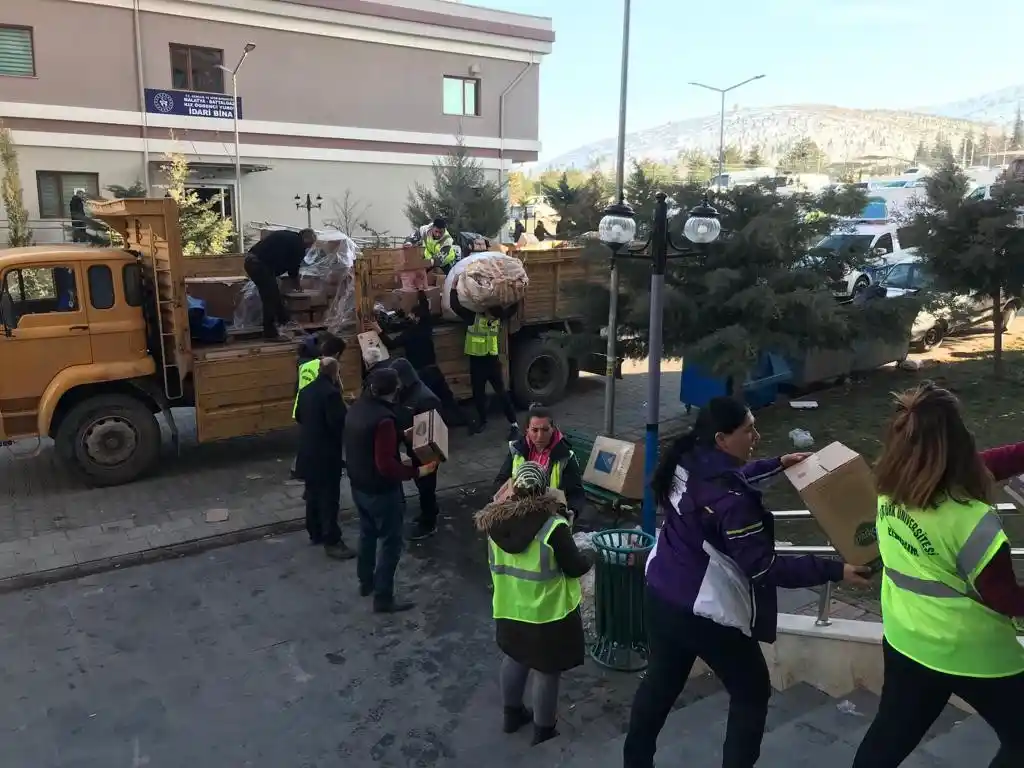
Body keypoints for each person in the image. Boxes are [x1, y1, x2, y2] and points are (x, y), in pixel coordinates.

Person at [622, 396, 871, 768]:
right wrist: (836, 570)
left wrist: (775, 464)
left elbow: (722, 484)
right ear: (722, 438)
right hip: (703, 609)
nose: (757, 434)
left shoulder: (688, 458)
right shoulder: (733, 502)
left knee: (661, 683)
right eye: (748, 429)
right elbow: (765, 568)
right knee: (752, 691)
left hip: (661, 591)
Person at [850, 384, 1024, 768]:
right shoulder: (973, 522)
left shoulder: (887, 489)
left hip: (906, 640)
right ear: (959, 441)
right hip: (973, 654)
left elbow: (979, 466)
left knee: (887, 739)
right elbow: (1007, 599)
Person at [475, 460, 593, 747]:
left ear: (514, 488)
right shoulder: (553, 527)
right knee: (546, 670)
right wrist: (592, 554)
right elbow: (575, 566)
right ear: (543, 492)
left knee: (515, 657)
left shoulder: (494, 524)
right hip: (547, 614)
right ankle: (544, 731)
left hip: (509, 608)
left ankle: (512, 714)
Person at [343, 366, 438, 613]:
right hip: (382, 491)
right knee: (390, 543)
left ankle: (366, 582)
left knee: (367, 534)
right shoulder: (384, 419)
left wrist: (400, 436)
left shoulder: (358, 408)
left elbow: (366, 442)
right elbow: (385, 465)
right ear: (394, 390)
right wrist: (418, 471)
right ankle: (383, 597)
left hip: (359, 486)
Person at [373, 291, 464, 425]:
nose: (408, 316)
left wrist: (378, 330)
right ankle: (465, 421)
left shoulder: (409, 334)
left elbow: (391, 344)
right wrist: (420, 291)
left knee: (424, 403)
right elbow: (425, 308)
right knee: (447, 398)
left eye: (411, 315)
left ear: (416, 318)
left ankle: (433, 427)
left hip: (421, 373)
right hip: (434, 370)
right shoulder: (426, 326)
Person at [294, 357, 353, 560]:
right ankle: (332, 540)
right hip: (326, 455)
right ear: (335, 372)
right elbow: (337, 423)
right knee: (329, 498)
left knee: (312, 495)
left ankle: (315, 531)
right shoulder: (331, 394)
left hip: (307, 452)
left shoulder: (305, 391)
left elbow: (300, 416)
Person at [449, 275, 520, 439]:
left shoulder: (478, 318)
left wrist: (453, 286)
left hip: (484, 362)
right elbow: (513, 308)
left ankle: (499, 423)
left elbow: (455, 306)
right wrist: (515, 290)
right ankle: (498, 423)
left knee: (490, 393)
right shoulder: (495, 318)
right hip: (486, 361)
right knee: (490, 393)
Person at [492, 405, 586, 521]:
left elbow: (576, 494)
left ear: (553, 429)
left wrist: (572, 512)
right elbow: (500, 480)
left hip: (550, 518)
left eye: (545, 430)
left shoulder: (566, 457)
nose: (540, 436)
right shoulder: (516, 450)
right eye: (535, 430)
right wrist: (506, 493)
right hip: (519, 515)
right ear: (527, 429)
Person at [389, 358, 445, 541]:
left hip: (426, 452)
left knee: (426, 486)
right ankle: (429, 511)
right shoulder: (405, 393)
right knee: (421, 484)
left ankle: (429, 522)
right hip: (412, 447)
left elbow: (431, 429)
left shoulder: (424, 397)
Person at [291, 333, 347, 481]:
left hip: (303, 405)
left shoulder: (306, 363)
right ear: (336, 353)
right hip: (318, 410)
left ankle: (301, 470)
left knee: (306, 439)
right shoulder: (328, 366)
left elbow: (298, 386)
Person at [244, 227, 317, 339]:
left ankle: (285, 321)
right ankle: (270, 333)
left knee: (274, 294)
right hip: (259, 265)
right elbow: (293, 269)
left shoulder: (289, 236)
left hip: (251, 262)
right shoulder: (298, 245)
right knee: (270, 297)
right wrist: (297, 285)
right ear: (305, 238)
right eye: (310, 243)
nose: (310, 247)